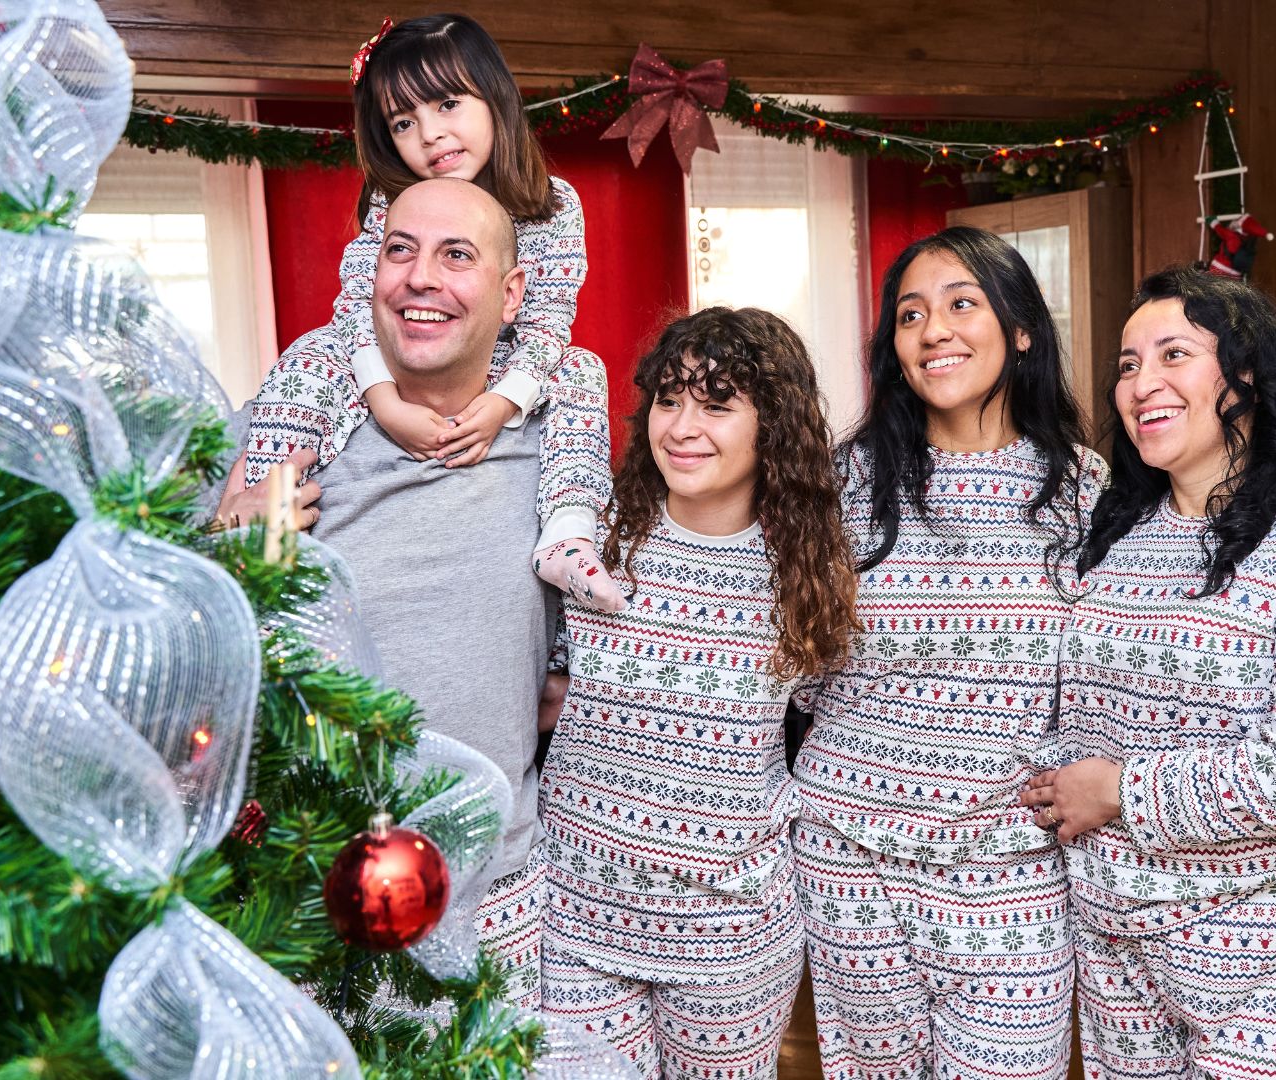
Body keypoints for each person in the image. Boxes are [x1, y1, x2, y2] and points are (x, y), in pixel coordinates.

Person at [1021, 267, 1276, 1079]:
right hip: (1117, 943)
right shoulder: (1114, 534)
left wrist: (1119, 790)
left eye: (1173, 354)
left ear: (1249, 376)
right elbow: (1075, 720)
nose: (1141, 385)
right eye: (1127, 365)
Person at [218, 177, 569, 1006]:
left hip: (499, 886)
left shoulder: (557, 441)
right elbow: (168, 609)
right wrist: (223, 552)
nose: (420, 277)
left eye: (457, 255)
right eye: (400, 250)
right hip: (315, 885)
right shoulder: (290, 432)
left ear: (512, 292)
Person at [792, 227, 1107, 1080]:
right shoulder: (843, 481)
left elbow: (1105, 677)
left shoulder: (1088, 490)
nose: (934, 329)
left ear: (1021, 329)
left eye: (962, 303)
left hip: (1010, 870)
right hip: (846, 858)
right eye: (910, 314)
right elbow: (797, 664)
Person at [538, 308, 858, 1080]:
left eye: (717, 405)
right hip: (578, 922)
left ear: (771, 426)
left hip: (734, 938)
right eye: (670, 400)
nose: (683, 427)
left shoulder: (807, 569)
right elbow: (544, 686)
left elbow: (823, 712)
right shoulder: (592, 539)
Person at [242, 12, 622, 612]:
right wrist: (384, 401)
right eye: (404, 121)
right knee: (308, 355)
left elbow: (548, 322)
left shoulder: (550, 205)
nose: (430, 134)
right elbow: (355, 313)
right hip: (383, 361)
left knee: (582, 369)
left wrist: (504, 404)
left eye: (447, 104)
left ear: (494, 98)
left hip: (504, 362)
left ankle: (568, 530)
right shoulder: (389, 202)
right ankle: (268, 512)